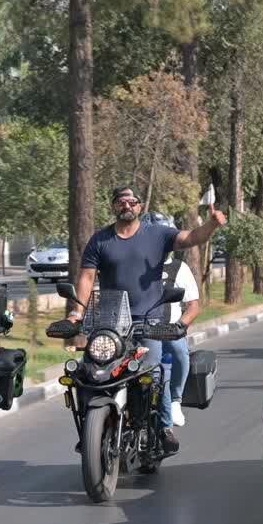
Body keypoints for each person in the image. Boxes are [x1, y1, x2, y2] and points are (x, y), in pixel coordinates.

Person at [65, 186, 226, 455]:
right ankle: (89, 434)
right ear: (113, 206)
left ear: (140, 206)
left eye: (132, 201)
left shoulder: (157, 234)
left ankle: (163, 428)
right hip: (110, 323)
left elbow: (190, 238)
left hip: (148, 322)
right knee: (88, 374)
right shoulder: (100, 240)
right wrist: (77, 313)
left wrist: (211, 225)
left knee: (152, 373)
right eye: (121, 201)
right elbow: (87, 277)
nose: (127, 205)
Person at [158, 255, 200, 429]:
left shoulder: (179, 268)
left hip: (168, 330)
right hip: (135, 329)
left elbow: (193, 306)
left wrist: (179, 327)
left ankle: (175, 399)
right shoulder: (133, 263)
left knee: (179, 350)